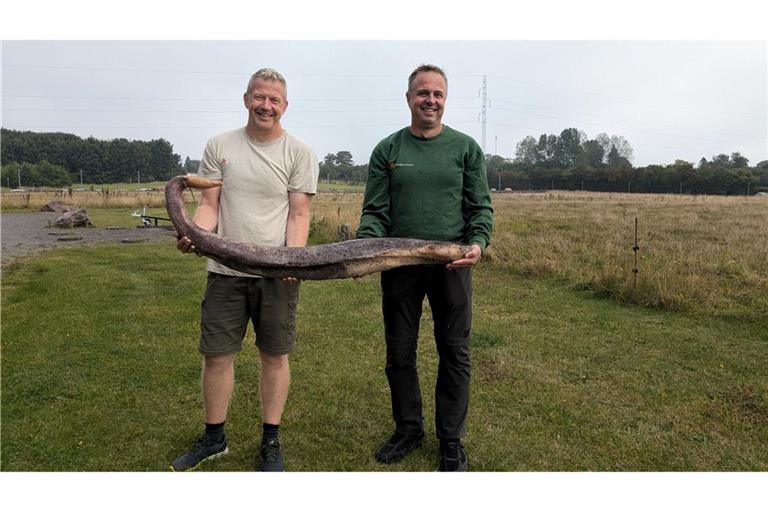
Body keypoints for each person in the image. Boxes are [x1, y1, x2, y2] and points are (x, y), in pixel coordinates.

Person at [170, 68, 319, 471]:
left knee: (274, 355)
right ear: (246, 99)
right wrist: (196, 235)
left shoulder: (299, 152)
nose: (265, 105)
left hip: (277, 273)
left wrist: (294, 260)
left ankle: (271, 440)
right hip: (225, 271)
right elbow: (209, 206)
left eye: (274, 100)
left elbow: (299, 213)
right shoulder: (219, 146)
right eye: (259, 97)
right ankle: (214, 438)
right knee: (217, 356)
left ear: (284, 106)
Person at [356, 64, 493, 471]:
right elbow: (376, 211)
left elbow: (480, 207)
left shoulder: (466, 148)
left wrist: (478, 242)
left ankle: (451, 439)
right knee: (400, 351)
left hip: (451, 263)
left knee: (455, 351)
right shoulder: (388, 150)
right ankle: (408, 429)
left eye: (437, 94)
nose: (429, 100)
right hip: (399, 263)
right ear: (409, 98)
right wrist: (366, 245)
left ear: (445, 100)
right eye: (422, 93)